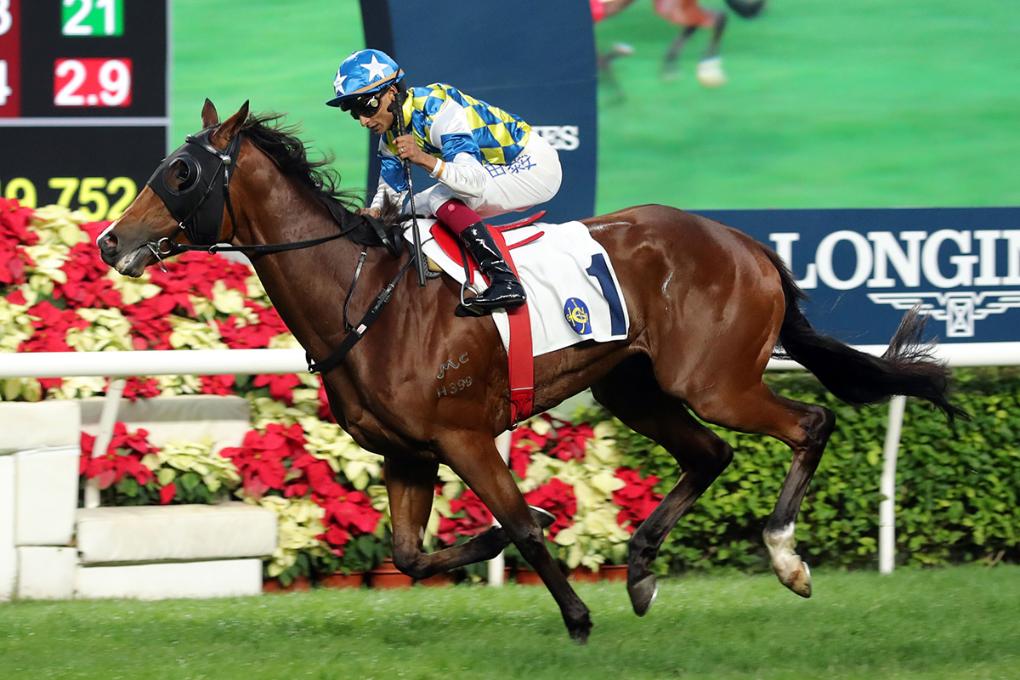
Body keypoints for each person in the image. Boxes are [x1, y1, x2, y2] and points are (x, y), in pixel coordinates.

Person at [326, 49, 562, 314]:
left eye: (366, 107)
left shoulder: (438, 109)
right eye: (354, 112)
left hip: (532, 165)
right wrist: (375, 212)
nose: (363, 121)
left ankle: (504, 280)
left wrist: (424, 159)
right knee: (406, 209)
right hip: (497, 169)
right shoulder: (390, 136)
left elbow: (474, 183)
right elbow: (390, 194)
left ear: (391, 92)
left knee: (439, 197)